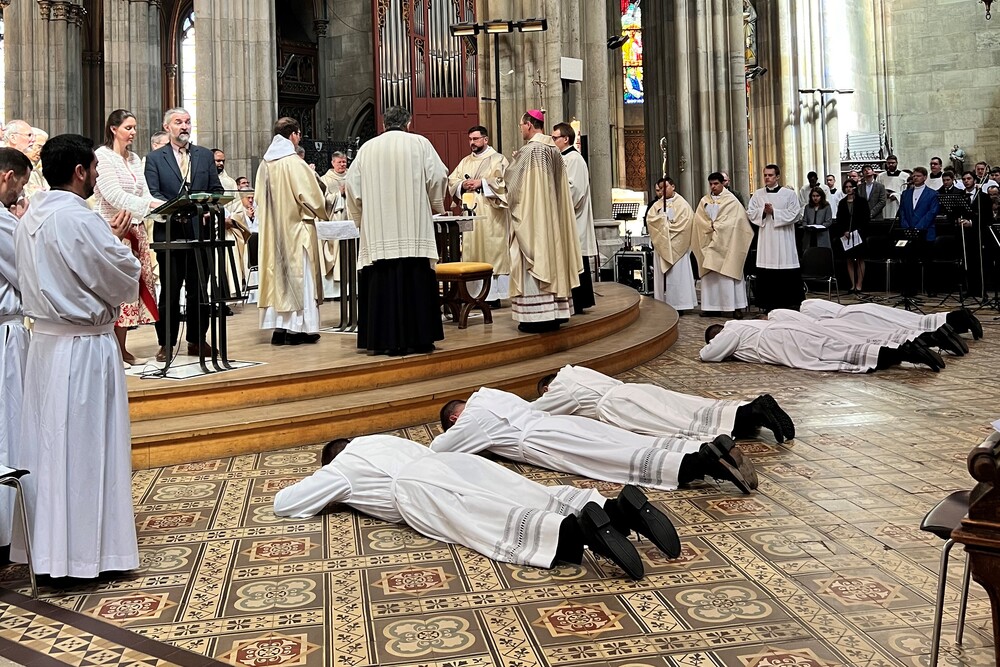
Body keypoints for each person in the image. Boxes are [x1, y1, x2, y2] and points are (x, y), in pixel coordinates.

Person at [274, 435, 686, 580]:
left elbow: (286, 504)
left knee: (491, 521)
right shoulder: (382, 439)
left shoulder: (341, 467)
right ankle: (615, 510)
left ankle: (581, 535)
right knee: (524, 492)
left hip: (420, 489)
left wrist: (329, 486)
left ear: (333, 457)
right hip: (452, 465)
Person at [11, 134, 141, 579]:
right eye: (95, 170)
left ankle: (52, 552)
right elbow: (122, 280)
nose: (98, 177)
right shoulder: (78, 220)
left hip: (46, 346)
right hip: (84, 348)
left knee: (49, 448)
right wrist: (119, 240)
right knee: (86, 448)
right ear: (80, 171)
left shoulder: (30, 217)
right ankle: (88, 555)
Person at [433, 387, 758, 494]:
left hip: (545, 441)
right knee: (626, 442)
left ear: (453, 419)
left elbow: (441, 450)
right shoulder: (492, 395)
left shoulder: (470, 419)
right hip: (563, 424)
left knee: (615, 460)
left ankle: (701, 464)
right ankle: (703, 449)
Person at [345, 106, 448, 356]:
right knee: (415, 280)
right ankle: (420, 338)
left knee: (383, 281)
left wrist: (361, 218)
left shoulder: (367, 148)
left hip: (379, 230)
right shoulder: (420, 144)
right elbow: (438, 177)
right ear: (408, 123)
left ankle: (384, 340)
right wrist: (435, 204)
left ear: (384, 123)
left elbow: (351, 186)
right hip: (414, 228)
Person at [532, 364, 795, 443]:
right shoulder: (577, 371)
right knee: (692, 409)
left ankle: (754, 412)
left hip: (621, 406)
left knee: (681, 424)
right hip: (634, 391)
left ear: (546, 386)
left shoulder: (560, 386)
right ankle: (750, 410)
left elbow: (535, 412)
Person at [144, 107, 224, 362]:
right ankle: (166, 343)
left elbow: (216, 190)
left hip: (199, 232)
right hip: (169, 232)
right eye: (178, 122)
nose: (184, 126)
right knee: (170, 289)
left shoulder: (202, 156)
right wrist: (174, 210)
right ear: (167, 127)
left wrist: (210, 207)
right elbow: (153, 194)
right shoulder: (155, 159)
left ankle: (197, 340)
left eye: (188, 122)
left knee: (199, 289)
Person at [256, 117, 336, 346]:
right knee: (302, 278)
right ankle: (297, 330)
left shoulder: (265, 164)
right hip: (297, 231)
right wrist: (328, 203)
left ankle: (279, 330)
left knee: (277, 278)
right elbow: (311, 198)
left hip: (274, 232)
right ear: (294, 135)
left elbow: (260, 199)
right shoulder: (294, 163)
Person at [93, 109, 163, 366]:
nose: (133, 132)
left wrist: (161, 205)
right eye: (128, 128)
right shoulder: (102, 156)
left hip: (135, 228)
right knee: (114, 290)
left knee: (131, 292)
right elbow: (113, 195)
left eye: (135, 128)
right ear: (114, 129)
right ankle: (111, 350)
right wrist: (150, 207)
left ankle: (121, 348)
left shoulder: (134, 158)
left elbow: (144, 192)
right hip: (112, 230)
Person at [505, 110, 582, 333]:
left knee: (535, 259)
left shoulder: (530, 151)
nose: (520, 128)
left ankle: (537, 316)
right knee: (553, 257)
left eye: (521, 124)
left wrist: (499, 181)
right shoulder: (553, 150)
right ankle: (555, 313)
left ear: (529, 125)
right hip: (552, 218)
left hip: (533, 218)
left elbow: (513, 187)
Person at [700, 318, 945, 373]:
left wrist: (709, 347)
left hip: (782, 343)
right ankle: (905, 352)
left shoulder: (730, 330)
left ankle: (906, 353)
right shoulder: (745, 323)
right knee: (837, 346)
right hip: (789, 331)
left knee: (833, 354)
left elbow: (709, 355)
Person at [0, 147, 32, 554]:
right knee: (8, 425)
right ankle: (7, 529)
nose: (19, 196)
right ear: (8, 176)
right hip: (5, 334)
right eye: (20, 185)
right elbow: (26, 273)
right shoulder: (3, 221)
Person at [448, 126, 510, 306]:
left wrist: (481, 183)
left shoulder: (498, 159)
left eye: (475, 139)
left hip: (492, 216)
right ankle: (472, 295)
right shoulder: (465, 161)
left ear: (486, 139)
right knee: (472, 252)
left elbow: (504, 184)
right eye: (470, 139)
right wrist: (462, 184)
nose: (472, 143)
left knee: (492, 252)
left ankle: (493, 296)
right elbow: (452, 180)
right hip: (471, 212)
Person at [767, 308, 965, 357]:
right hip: (841, 319)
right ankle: (937, 333)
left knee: (878, 337)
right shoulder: (806, 311)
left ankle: (927, 341)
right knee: (891, 328)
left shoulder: (780, 317)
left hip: (834, 326)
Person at [691, 172, 754, 316]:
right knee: (711, 275)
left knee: (729, 273)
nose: (713, 187)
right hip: (709, 242)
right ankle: (711, 307)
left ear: (723, 183)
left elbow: (738, 220)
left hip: (728, 243)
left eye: (716, 184)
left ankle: (735, 307)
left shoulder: (731, 200)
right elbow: (698, 220)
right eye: (711, 184)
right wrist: (708, 226)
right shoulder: (704, 201)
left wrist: (719, 226)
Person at [552, 122, 597, 314]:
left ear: (566, 139)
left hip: (573, 220)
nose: (552, 141)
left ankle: (579, 302)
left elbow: (575, 191)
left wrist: (551, 201)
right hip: (565, 219)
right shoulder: (563, 158)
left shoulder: (574, 160)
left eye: (555, 138)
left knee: (577, 261)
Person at [747, 163, 804, 311]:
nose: (767, 177)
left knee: (785, 267)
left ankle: (789, 304)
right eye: (765, 175)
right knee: (767, 269)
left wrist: (775, 212)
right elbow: (751, 212)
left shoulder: (789, 194)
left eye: (770, 175)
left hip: (784, 238)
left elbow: (795, 214)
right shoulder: (758, 194)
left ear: (777, 176)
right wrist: (763, 212)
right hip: (766, 238)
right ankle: (768, 306)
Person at [798, 298, 983, 340]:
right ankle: (959, 318)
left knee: (907, 326)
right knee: (914, 320)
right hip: (860, 309)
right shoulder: (810, 303)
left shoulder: (806, 308)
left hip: (855, 316)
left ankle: (957, 322)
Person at [645, 177, 697, 311]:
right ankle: (662, 304)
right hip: (661, 246)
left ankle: (679, 304)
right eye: (660, 188)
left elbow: (686, 223)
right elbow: (650, 221)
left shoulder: (682, 204)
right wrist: (661, 224)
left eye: (665, 187)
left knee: (677, 277)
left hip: (677, 246)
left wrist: (667, 228)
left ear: (673, 186)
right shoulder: (656, 205)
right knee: (662, 277)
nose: (662, 191)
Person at [317, 151, 349, 298]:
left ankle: (351, 288)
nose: (343, 165)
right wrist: (339, 195)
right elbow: (323, 201)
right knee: (336, 252)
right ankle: (335, 289)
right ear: (333, 163)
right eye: (339, 162)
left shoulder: (352, 177)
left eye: (344, 162)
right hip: (334, 221)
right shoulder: (325, 180)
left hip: (351, 221)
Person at [832, 179, 870, 294]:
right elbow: (839, 219)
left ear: (854, 188)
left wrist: (857, 230)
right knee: (849, 259)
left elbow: (866, 218)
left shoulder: (861, 201)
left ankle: (859, 284)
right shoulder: (842, 202)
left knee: (859, 259)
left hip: (859, 234)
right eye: (846, 187)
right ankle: (852, 284)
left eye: (850, 186)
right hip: (847, 236)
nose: (848, 189)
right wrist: (844, 231)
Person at [899, 166, 940, 241]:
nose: (915, 178)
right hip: (908, 232)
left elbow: (932, 212)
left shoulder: (933, 194)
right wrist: (906, 226)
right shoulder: (905, 194)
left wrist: (918, 227)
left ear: (925, 177)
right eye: (914, 176)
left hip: (926, 232)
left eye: (918, 176)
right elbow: (902, 212)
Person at [877, 155, 910, 220]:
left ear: (897, 163)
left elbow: (907, 190)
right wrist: (885, 193)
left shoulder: (905, 176)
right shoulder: (881, 176)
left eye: (893, 163)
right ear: (886, 163)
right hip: (885, 203)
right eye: (889, 163)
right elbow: (878, 189)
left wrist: (896, 195)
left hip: (899, 202)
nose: (891, 164)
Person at [800, 187, 833, 251]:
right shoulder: (807, 207)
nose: (815, 198)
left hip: (822, 235)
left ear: (821, 196)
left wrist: (820, 226)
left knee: (822, 255)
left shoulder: (826, 206)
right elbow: (805, 220)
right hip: (809, 235)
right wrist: (806, 226)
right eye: (813, 196)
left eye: (817, 196)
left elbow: (828, 221)